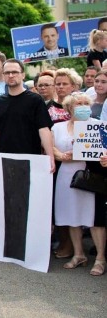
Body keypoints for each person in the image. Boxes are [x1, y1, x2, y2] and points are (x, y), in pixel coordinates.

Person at [0, 59, 55, 173]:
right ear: (3, 75)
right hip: (4, 159)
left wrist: (50, 156)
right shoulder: (0, 101)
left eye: (15, 72)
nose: (11, 75)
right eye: (7, 73)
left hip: (30, 158)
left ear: (23, 75)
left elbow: (44, 129)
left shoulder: (35, 100)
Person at [52, 93, 97, 270]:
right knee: (71, 215)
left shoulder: (96, 126)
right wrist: (61, 155)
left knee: (92, 215)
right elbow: (51, 147)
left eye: (87, 103)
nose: (84, 106)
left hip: (90, 176)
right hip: (67, 174)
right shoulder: (58, 127)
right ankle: (79, 254)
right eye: (80, 103)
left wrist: (76, 154)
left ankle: (100, 257)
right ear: (70, 107)